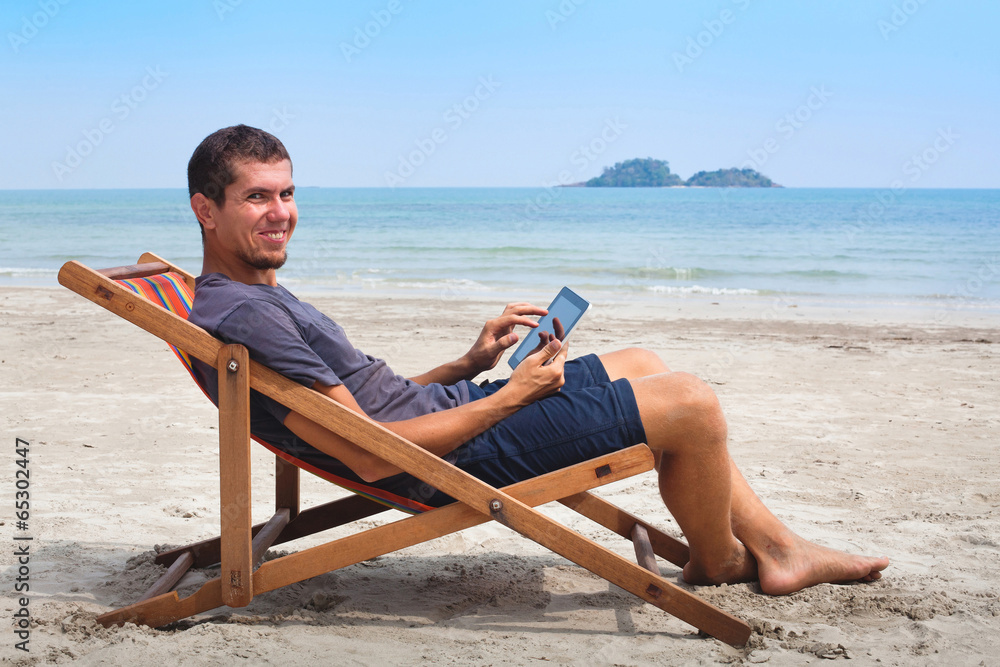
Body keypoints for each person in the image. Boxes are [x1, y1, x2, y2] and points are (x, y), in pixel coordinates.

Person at [186, 125, 888, 594]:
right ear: (207, 210)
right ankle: (721, 560)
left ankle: (779, 547)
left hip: (451, 417)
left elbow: (366, 401)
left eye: (287, 192)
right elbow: (371, 456)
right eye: (257, 197)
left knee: (644, 360)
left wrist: (468, 364)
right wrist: (510, 395)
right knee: (692, 404)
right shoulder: (248, 312)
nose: (281, 211)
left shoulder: (250, 292)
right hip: (448, 459)